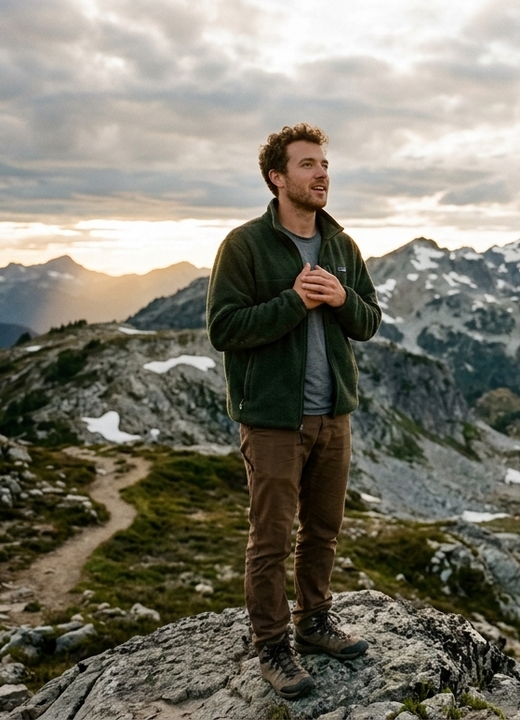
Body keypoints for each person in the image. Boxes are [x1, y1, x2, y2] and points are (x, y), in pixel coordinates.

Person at [206, 123, 381, 699]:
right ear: (276, 178)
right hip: (273, 420)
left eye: (324, 164)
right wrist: (293, 302)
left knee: (323, 531)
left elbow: (369, 321)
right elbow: (224, 328)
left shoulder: (341, 246)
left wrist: (342, 298)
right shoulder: (245, 245)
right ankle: (272, 647)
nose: (322, 174)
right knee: (271, 539)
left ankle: (314, 622)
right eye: (308, 165)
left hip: (334, 414)